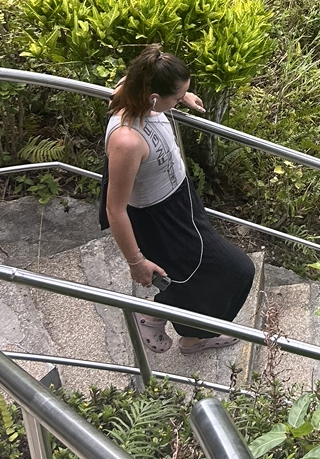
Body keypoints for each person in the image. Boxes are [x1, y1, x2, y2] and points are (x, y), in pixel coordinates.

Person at [103, 44, 254, 355]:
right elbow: (114, 208)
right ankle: (160, 317)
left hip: (180, 197)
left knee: (194, 272)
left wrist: (181, 95)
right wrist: (136, 262)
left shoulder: (135, 89)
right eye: (176, 97)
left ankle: (191, 335)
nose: (179, 102)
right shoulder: (127, 140)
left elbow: (134, 78)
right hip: (160, 217)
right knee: (237, 270)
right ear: (154, 97)